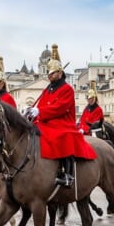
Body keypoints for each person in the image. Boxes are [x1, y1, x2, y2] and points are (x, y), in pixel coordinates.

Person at [25, 44, 95, 187]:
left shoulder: (67, 89)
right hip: (46, 121)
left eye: (53, 73)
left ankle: (68, 174)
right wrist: (32, 113)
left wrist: (40, 111)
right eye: (49, 73)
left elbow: (60, 108)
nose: (50, 75)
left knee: (63, 136)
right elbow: (42, 105)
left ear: (60, 72)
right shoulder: (47, 89)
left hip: (62, 123)